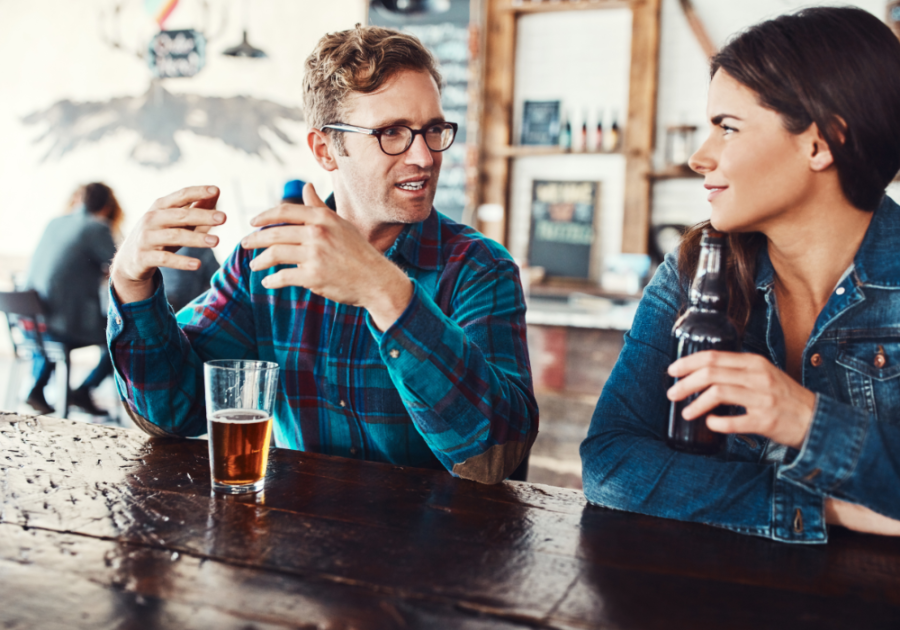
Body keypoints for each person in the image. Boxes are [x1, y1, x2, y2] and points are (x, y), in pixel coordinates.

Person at [107, 26, 537, 484]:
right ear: (325, 149)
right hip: (295, 542)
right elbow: (176, 410)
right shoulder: (270, 257)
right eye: (392, 132)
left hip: (435, 547)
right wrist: (132, 285)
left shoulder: (480, 268)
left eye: (433, 130)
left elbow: (495, 457)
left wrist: (386, 292)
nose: (425, 157)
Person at [581, 7, 900, 543]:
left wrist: (804, 418)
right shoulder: (692, 271)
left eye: (727, 128)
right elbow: (611, 462)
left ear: (822, 144)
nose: (698, 158)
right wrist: (819, 508)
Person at [25, 182, 122, 416]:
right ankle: (83, 391)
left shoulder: (55, 222)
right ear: (108, 208)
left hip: (28, 318)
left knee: (55, 322)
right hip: (60, 324)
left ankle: (37, 390)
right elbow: (120, 267)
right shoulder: (96, 227)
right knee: (122, 336)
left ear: (78, 200)